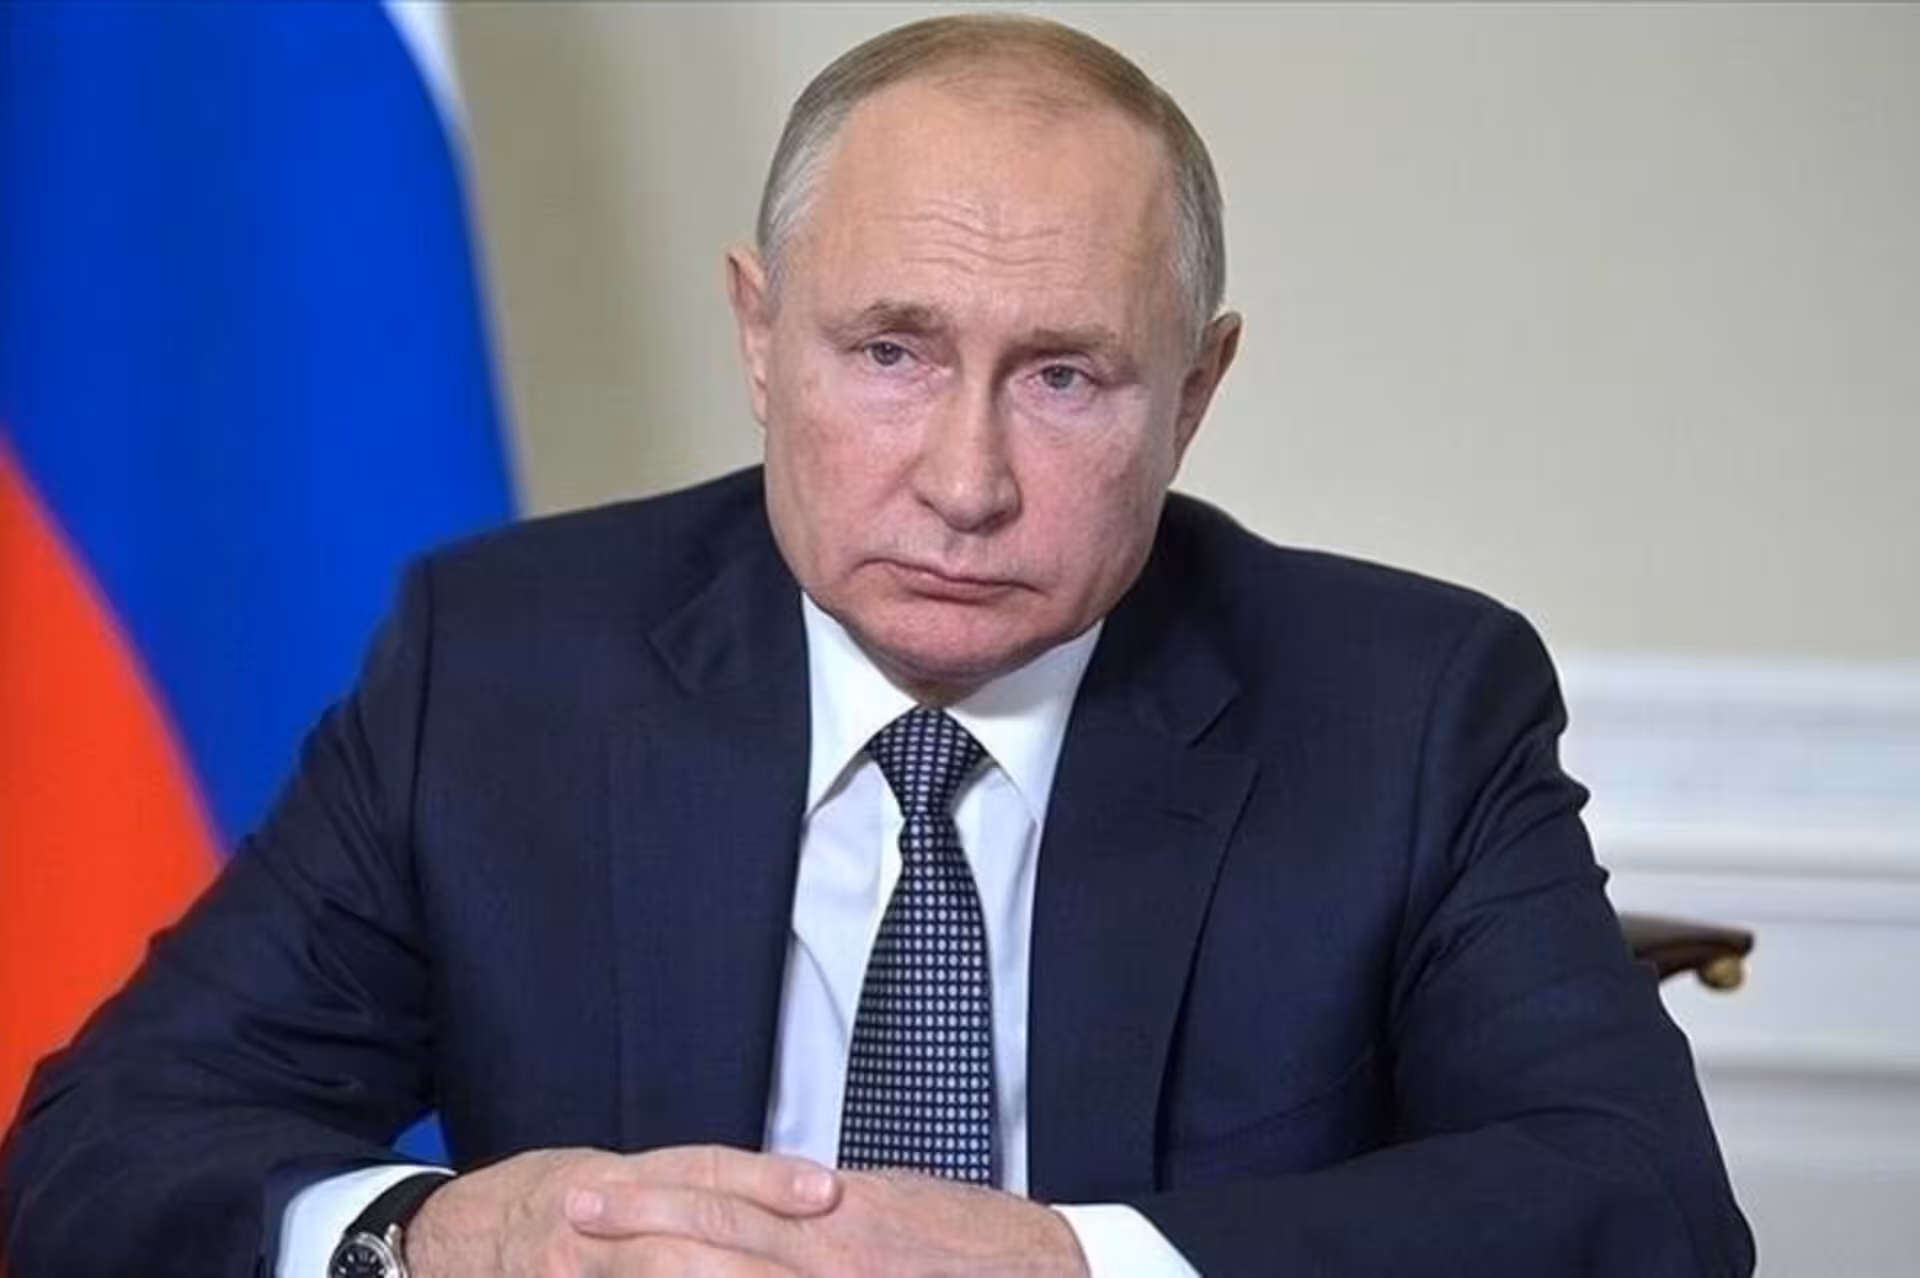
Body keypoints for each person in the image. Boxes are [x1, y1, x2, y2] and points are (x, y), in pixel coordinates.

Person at [1, 14, 1753, 1278]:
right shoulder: (506, 668)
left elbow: (1645, 1204)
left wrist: (1069, 1264)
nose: (965, 481)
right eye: (892, 354)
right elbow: (96, 1150)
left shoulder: (1404, 708)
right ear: (761, 338)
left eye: (1064, 375)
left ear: (1196, 391)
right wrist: (435, 1233)